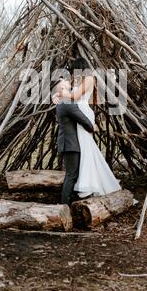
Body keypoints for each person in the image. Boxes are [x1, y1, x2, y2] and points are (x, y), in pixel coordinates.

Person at [53, 58, 121, 199]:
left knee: (86, 147)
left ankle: (90, 183)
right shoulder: (78, 80)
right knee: (83, 148)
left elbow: (75, 96)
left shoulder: (89, 78)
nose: (73, 73)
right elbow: (67, 94)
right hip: (77, 111)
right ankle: (85, 180)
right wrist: (56, 94)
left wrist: (59, 94)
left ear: (80, 67)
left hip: (82, 112)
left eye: (74, 69)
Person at [54, 78, 95, 205]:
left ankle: (67, 202)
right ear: (61, 88)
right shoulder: (67, 103)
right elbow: (82, 119)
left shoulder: (63, 102)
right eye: (64, 81)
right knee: (71, 175)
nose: (68, 82)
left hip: (68, 143)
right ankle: (64, 205)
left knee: (72, 174)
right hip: (70, 144)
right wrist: (93, 127)